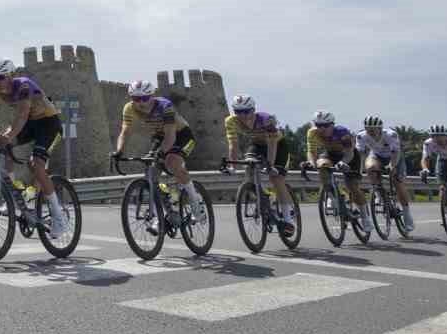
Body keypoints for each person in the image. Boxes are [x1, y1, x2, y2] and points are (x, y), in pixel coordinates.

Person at [0, 57, 67, 235]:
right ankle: (15, 195)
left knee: (36, 165)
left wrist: (9, 136)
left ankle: (58, 217)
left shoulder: (23, 86)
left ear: (10, 76)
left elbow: (22, 115)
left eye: (0, 77)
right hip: (29, 124)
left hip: (48, 124)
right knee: (4, 146)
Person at [113, 80, 206, 226]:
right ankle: (161, 213)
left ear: (152, 96)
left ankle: (196, 201)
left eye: (144, 98)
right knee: (151, 174)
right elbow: (125, 132)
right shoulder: (129, 108)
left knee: (172, 162)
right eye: (136, 98)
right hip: (160, 136)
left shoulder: (164, 106)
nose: (140, 102)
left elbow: (171, 136)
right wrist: (119, 151)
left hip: (181, 135)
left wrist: (161, 153)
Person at [223, 93, 295, 233]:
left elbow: (272, 144)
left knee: (276, 179)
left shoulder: (266, 120)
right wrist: (232, 166)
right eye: (238, 112)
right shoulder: (230, 121)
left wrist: (270, 165)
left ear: (253, 110)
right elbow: (233, 144)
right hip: (257, 145)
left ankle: (288, 218)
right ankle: (264, 196)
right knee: (249, 166)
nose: (242, 115)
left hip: (278, 146)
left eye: (246, 111)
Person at [356, 116, 414, 232]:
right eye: (368, 128)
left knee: (398, 183)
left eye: (374, 128)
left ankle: (407, 214)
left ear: (380, 128)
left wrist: (392, 166)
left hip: (394, 156)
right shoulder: (361, 136)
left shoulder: (391, 134)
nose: (371, 131)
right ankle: (378, 193)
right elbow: (360, 154)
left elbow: (395, 152)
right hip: (376, 155)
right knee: (371, 167)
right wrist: (359, 170)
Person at [305, 110, 367, 212]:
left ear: (332, 125)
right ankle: (331, 196)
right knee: (321, 165)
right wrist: (311, 162)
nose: (321, 128)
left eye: (325, 125)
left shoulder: (342, 132)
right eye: (318, 125)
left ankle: (365, 216)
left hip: (349, 156)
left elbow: (349, 152)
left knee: (352, 187)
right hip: (331, 154)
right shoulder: (312, 132)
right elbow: (311, 151)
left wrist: (343, 162)